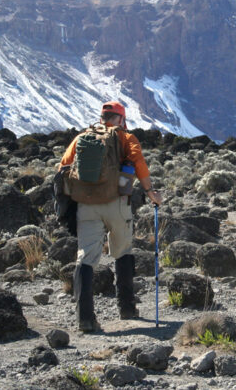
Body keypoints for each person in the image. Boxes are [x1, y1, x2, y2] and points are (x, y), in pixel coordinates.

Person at [59, 101, 162, 332]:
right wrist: (149, 192)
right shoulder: (126, 138)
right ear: (121, 118)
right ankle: (127, 308)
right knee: (123, 251)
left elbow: (63, 167)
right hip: (117, 203)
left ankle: (85, 318)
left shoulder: (82, 137)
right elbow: (139, 163)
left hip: (86, 205)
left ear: (102, 116)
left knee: (85, 258)